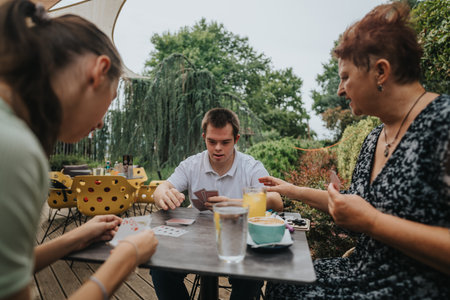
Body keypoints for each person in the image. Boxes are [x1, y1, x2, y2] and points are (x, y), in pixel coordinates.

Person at [258, 2, 450, 299]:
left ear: (381, 72)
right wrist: (292, 189)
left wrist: (373, 222)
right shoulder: (374, 138)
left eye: (345, 76)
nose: (339, 89)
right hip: (363, 271)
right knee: (283, 279)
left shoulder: (444, 124)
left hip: (417, 287)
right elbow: (353, 206)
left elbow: (367, 216)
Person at [0, 1, 158, 300]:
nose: (100, 124)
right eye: (110, 101)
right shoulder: (16, 149)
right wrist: (124, 261)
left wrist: (72, 239)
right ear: (99, 71)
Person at [152, 107, 283, 299]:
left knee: (251, 276)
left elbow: (277, 201)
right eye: (211, 141)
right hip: (195, 242)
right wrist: (162, 194)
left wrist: (233, 203)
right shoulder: (191, 165)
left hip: (240, 242)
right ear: (204, 137)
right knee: (160, 268)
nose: (218, 148)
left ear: (236, 140)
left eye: (225, 142)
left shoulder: (251, 166)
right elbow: (162, 188)